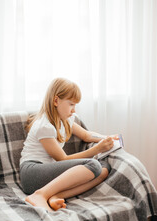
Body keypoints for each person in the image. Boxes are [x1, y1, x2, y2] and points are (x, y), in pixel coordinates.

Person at [20, 78, 117, 212]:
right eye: (71, 104)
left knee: (103, 168)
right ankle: (39, 195)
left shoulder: (66, 119)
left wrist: (107, 138)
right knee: (93, 165)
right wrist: (97, 149)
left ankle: (55, 195)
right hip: (31, 173)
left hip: (47, 170)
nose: (74, 110)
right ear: (56, 101)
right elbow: (63, 159)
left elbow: (87, 135)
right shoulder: (44, 126)